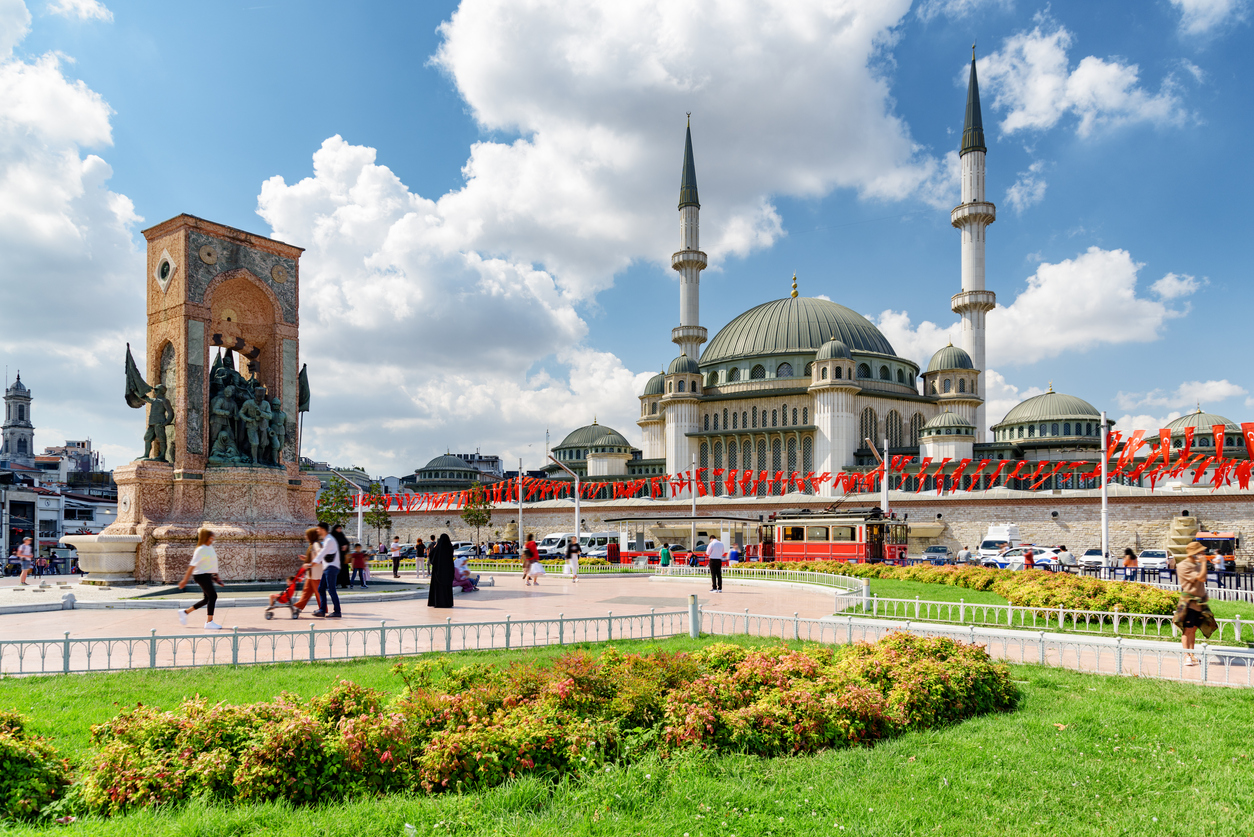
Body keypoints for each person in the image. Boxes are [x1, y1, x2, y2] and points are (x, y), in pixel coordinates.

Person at [1174, 541, 1218, 666]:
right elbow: (1202, 578)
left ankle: (1192, 654)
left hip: (1199, 602)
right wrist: (1203, 563)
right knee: (1187, 630)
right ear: (1194, 553)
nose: (1203, 554)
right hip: (1189, 602)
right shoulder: (1183, 566)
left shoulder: (1197, 564)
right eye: (1200, 552)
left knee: (1193, 630)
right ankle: (1186, 655)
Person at [177, 528, 223, 630]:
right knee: (213, 596)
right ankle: (209, 622)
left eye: (213, 538)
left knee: (207, 599)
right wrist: (184, 580)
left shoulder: (209, 547)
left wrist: (217, 578)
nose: (212, 539)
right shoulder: (200, 549)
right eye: (211, 537)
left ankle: (185, 612)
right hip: (200, 575)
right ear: (206, 537)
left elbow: (212, 564)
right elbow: (192, 566)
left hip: (207, 575)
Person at [293, 527, 325, 614]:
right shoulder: (312, 545)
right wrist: (306, 558)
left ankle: (323, 609)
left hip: (316, 574)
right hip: (311, 574)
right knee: (306, 592)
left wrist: (309, 564)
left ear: (311, 536)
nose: (305, 537)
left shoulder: (315, 544)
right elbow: (314, 557)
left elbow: (320, 556)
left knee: (318, 593)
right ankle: (298, 606)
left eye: (307, 535)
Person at [314, 521, 342, 618]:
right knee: (321, 589)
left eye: (318, 529)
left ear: (322, 529)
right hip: (328, 568)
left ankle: (337, 611)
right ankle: (322, 610)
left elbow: (322, 553)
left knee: (331, 590)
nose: (317, 531)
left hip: (331, 568)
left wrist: (312, 563)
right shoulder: (327, 539)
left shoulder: (329, 540)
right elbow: (323, 554)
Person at [427, 533, 455, 608]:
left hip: (438, 571)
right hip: (448, 571)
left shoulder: (438, 548)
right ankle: (447, 603)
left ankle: (438, 602)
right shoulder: (449, 547)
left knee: (438, 588)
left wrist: (435, 547)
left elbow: (431, 557)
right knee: (447, 588)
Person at [332, 524, 351, 589]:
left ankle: (344, 583)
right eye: (338, 528)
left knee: (343, 571)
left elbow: (346, 542)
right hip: (335, 557)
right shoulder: (332, 536)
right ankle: (336, 583)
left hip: (342, 557)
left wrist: (345, 546)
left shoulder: (342, 535)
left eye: (340, 528)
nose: (339, 530)